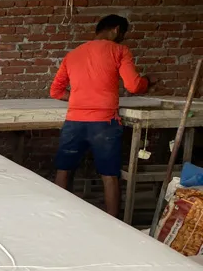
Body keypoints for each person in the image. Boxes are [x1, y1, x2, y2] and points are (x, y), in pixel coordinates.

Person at [50, 14, 155, 217]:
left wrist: (79, 97)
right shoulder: (119, 50)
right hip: (104, 123)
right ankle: (114, 224)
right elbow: (133, 86)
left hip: (74, 122)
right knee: (109, 176)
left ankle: (58, 217)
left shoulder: (73, 55)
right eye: (123, 33)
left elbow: (55, 91)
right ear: (116, 30)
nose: (123, 37)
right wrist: (147, 80)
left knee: (63, 170)